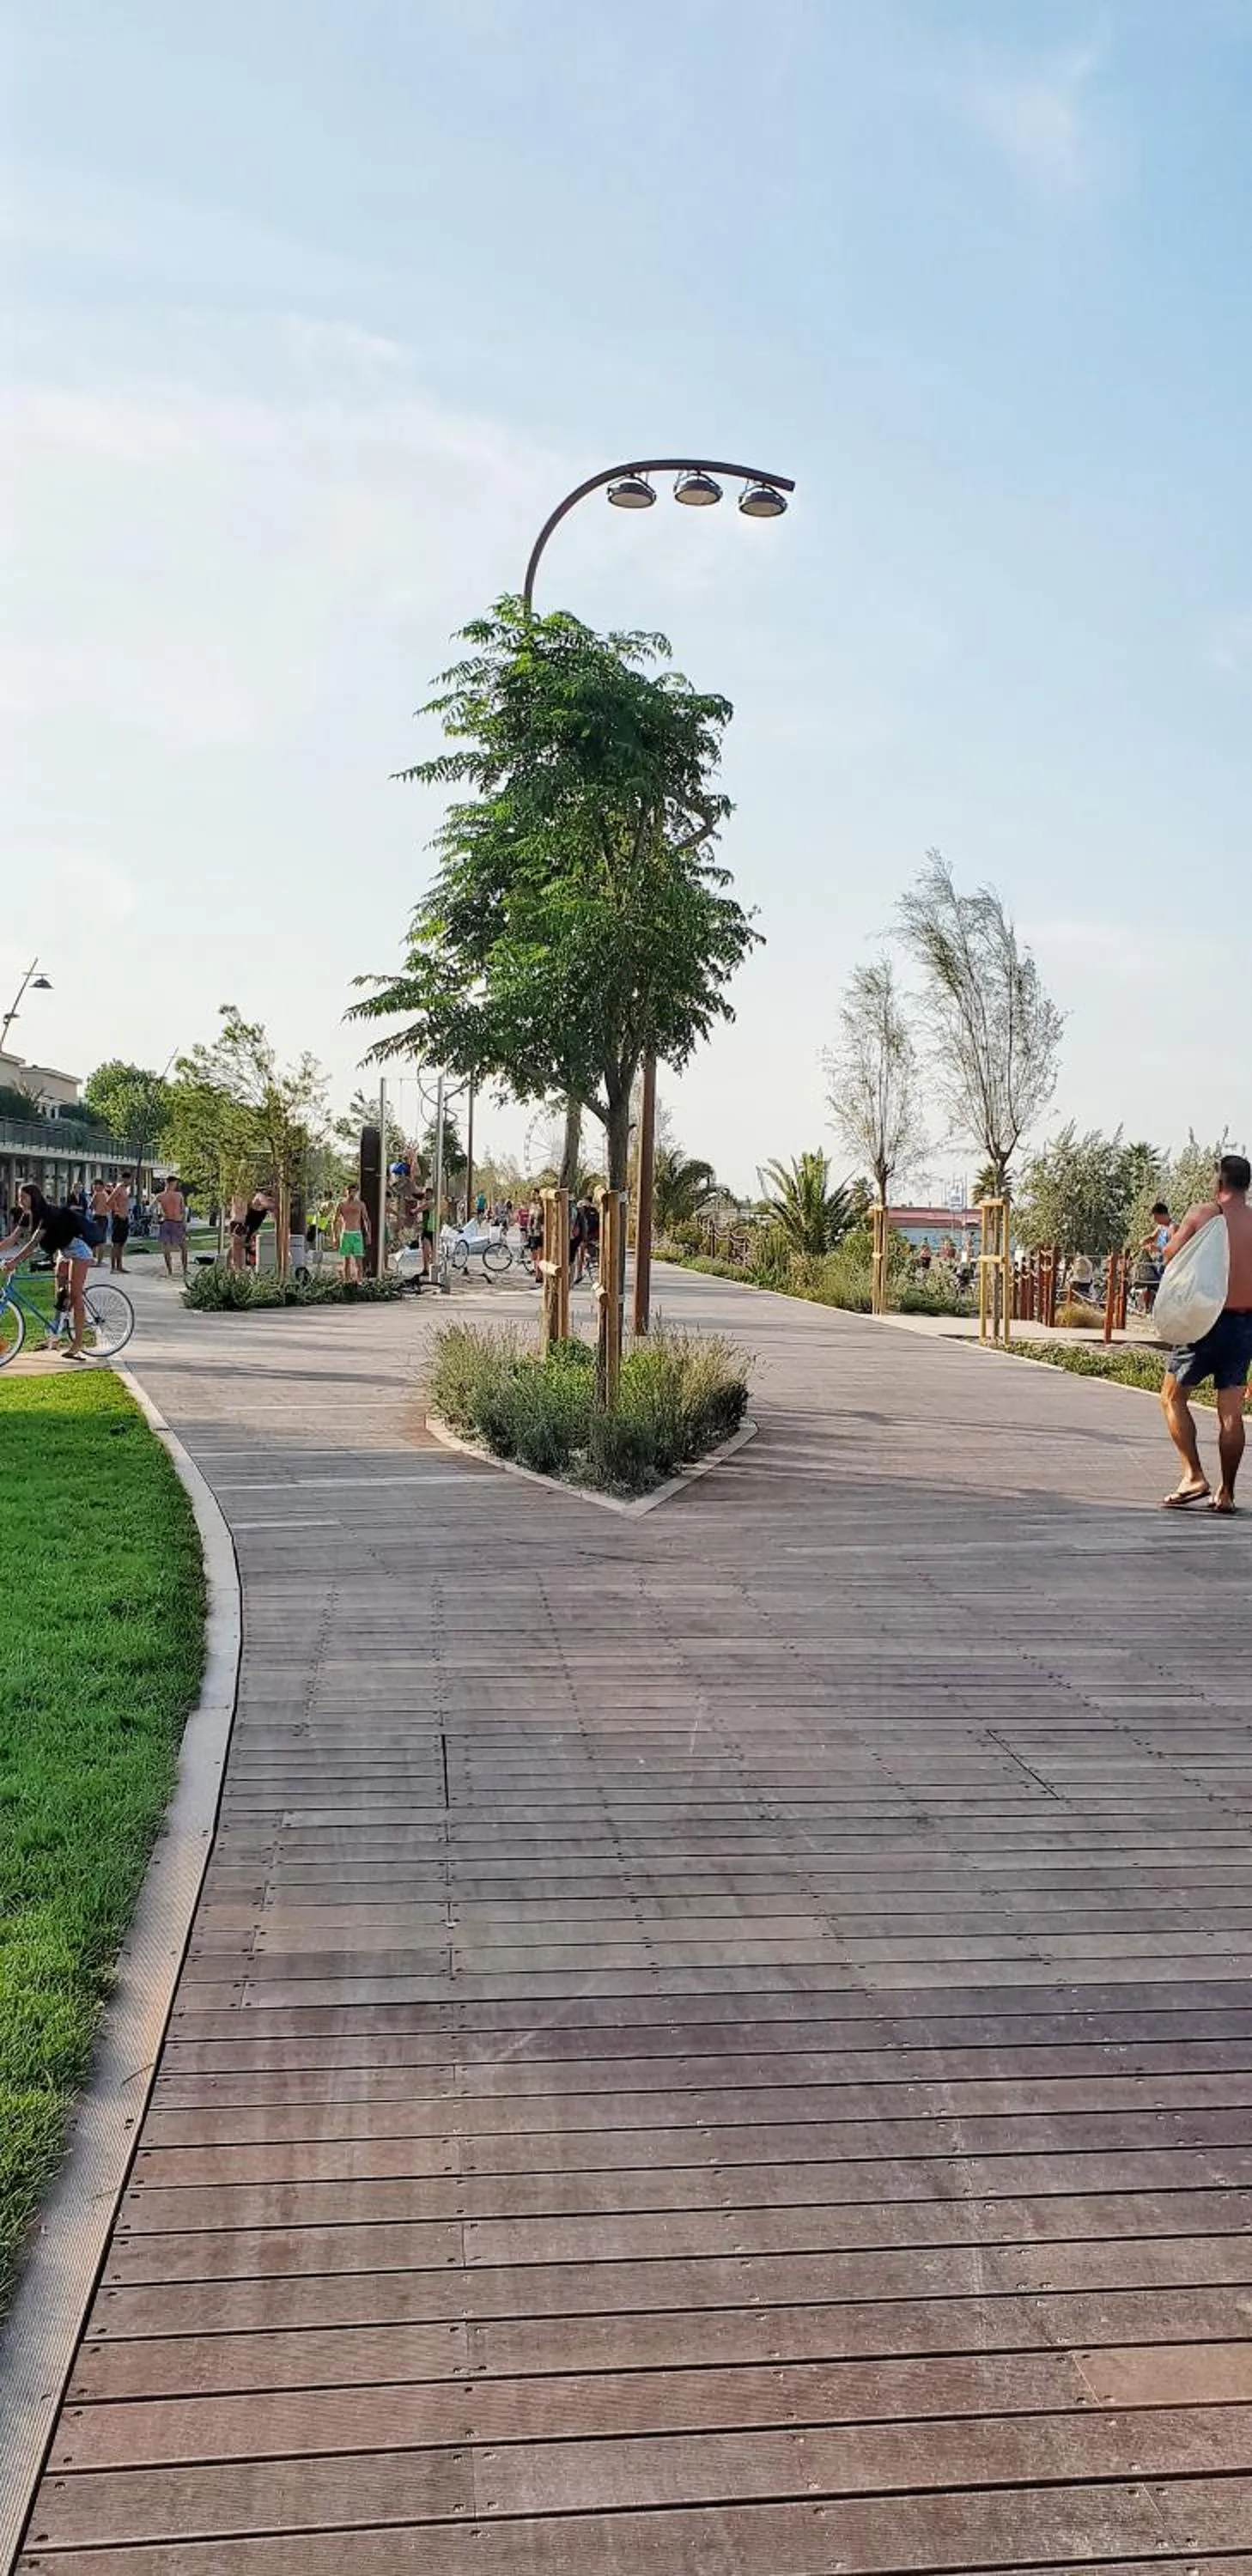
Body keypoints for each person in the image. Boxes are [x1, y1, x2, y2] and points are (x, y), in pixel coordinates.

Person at [1160, 1151, 1252, 1515]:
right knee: (1231, 1411)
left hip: (1205, 1320)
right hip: (1245, 1324)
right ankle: (1226, 1492)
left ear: (1219, 1182)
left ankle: (1194, 1474)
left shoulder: (1204, 1214)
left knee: (1172, 1397)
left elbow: (1171, 1254)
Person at [0, 1182, 96, 1358]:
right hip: (63, 1251)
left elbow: (32, 1244)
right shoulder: (26, 1215)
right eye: (19, 1196)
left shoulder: (46, 1214)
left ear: (34, 1198)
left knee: (75, 1295)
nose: (20, 1200)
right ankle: (55, 1337)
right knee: (60, 1296)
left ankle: (78, 1343)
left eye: (23, 1197)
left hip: (78, 1249)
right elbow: (12, 1239)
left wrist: (14, 1262)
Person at [334, 1183, 371, 1285]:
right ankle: (347, 1281)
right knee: (346, 1261)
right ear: (346, 1191)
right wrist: (335, 1236)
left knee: (359, 1261)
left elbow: (366, 1220)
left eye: (354, 1191)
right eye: (350, 1191)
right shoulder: (341, 1204)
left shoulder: (360, 1204)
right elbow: (335, 1220)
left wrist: (368, 1234)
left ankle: (360, 1282)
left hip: (357, 1234)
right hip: (346, 1233)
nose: (352, 1193)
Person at [155, 1175, 190, 1278]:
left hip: (168, 1222)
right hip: (175, 1222)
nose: (175, 1185)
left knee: (170, 1248)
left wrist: (157, 1218)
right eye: (175, 1184)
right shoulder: (178, 1195)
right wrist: (184, 1225)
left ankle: (172, 1271)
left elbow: (151, 1209)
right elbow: (183, 1211)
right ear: (171, 1183)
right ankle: (181, 1270)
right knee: (181, 1247)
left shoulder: (161, 1196)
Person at [108, 1173, 131, 1273]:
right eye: (126, 1179)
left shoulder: (126, 1190)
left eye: (129, 1180)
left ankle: (120, 1266)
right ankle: (113, 1267)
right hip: (119, 1218)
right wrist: (117, 1210)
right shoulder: (118, 1189)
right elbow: (109, 1201)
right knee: (116, 1243)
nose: (128, 1182)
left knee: (122, 1243)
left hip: (125, 1218)